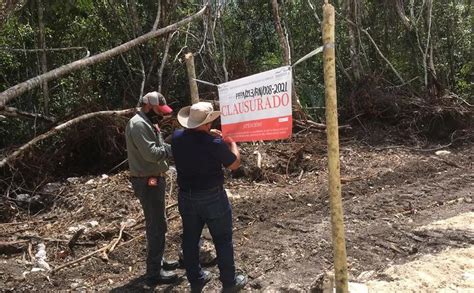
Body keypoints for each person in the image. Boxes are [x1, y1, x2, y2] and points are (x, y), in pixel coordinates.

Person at [172, 102, 247, 292]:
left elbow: (194, 144)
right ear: (206, 124)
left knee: (190, 239)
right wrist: (231, 143)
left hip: (186, 197)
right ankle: (229, 283)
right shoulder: (213, 143)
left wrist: (210, 137)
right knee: (222, 240)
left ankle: (196, 280)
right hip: (212, 198)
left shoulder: (177, 137)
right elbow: (234, 164)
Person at [125, 91, 179, 285]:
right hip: (147, 181)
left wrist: (171, 144)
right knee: (155, 225)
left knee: (159, 222)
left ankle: (159, 261)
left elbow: (159, 145)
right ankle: (154, 273)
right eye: (159, 110)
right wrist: (176, 148)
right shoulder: (138, 124)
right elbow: (151, 154)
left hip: (154, 178)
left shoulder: (149, 122)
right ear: (148, 106)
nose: (162, 114)